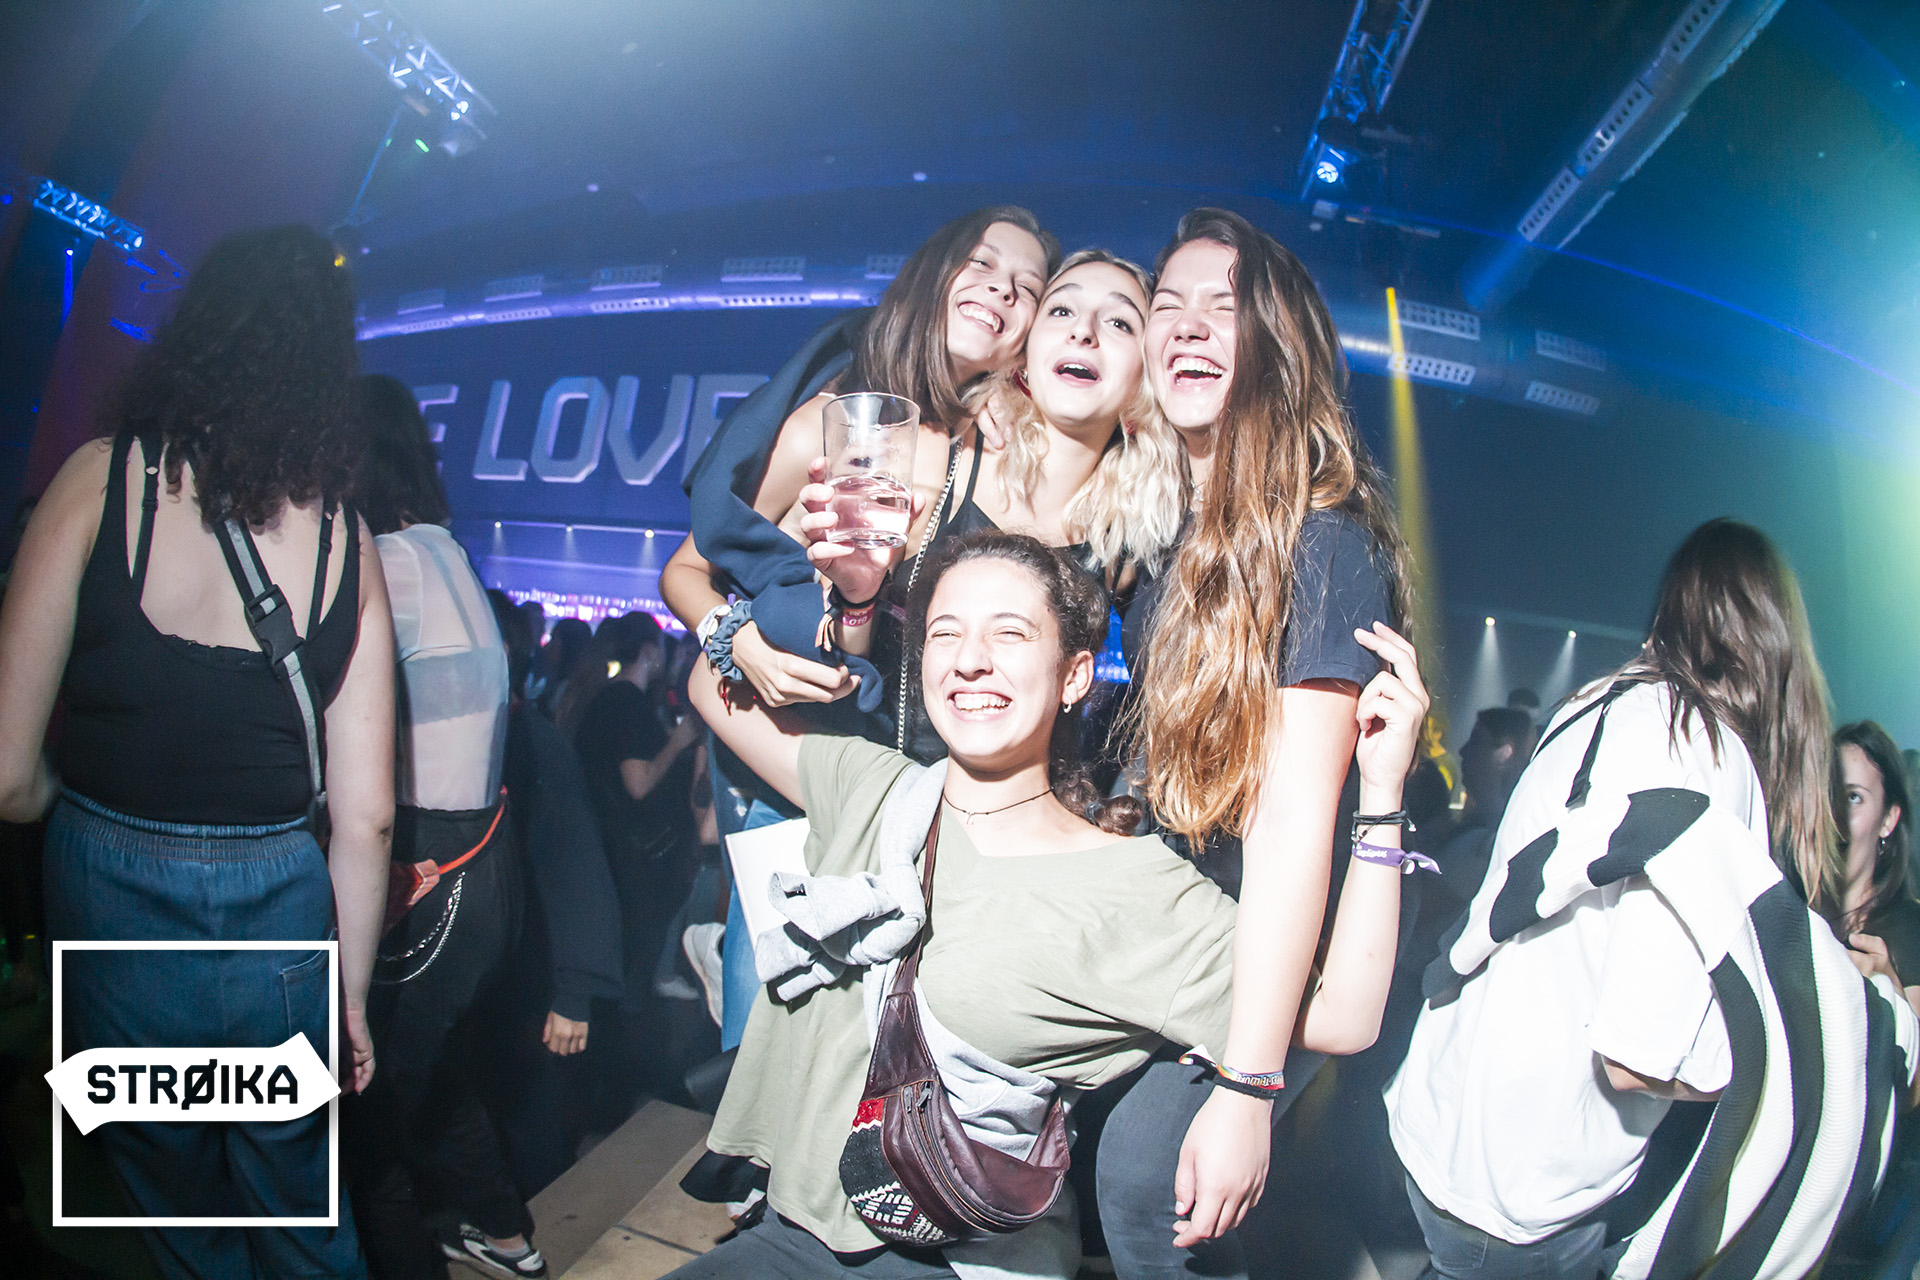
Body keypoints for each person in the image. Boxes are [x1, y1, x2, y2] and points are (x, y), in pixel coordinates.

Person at [668, 530, 1428, 1279]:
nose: (970, 659)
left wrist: (1382, 794)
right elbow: (711, 686)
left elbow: (1344, 1016)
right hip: (785, 1232)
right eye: (945, 633)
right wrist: (826, 589)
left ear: (1074, 676)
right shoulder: (872, 788)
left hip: (949, 1258)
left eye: (1010, 633)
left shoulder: (1129, 891)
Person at [0, 225, 389, 1278]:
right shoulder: (347, 540)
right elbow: (365, 819)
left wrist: (75, 817)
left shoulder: (95, 481)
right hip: (278, 911)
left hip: (108, 902)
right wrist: (349, 997)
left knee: (177, 1214)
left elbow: (8, 772)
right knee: (302, 1213)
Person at [1386, 519, 1920, 1280]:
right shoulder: (1708, 756)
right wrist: (1795, 1051)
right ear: (1779, 649)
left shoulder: (1597, 701)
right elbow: (1635, 1060)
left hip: (1440, 1121)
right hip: (1524, 1191)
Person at [661, 206, 1056, 1052]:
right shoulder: (826, 423)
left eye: (1027, 287)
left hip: (895, 775)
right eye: (983, 264)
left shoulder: (993, 453)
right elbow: (685, 571)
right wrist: (737, 640)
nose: (1002, 291)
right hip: (785, 757)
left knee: (862, 1052)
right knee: (772, 1040)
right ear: (935, 273)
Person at [1103, 207, 1412, 1275]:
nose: (1186, 326)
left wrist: (1246, 1084)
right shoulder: (1168, 544)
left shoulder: (1322, 543)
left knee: (1147, 1176)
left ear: (1276, 345)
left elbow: (1288, 829)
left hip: (1267, 959)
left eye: (1222, 308)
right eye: (1167, 305)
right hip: (1187, 936)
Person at [343, 375, 547, 1280]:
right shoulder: (444, 551)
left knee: (367, 1108)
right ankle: (506, 1235)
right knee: (433, 1072)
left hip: (426, 873)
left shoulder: (385, 563)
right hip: (482, 869)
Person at [1836, 720, 1920, 986]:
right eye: (1828, 795)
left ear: (1888, 820)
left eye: (1853, 797)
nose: (1835, 815)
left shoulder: (1910, 928)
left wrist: (1892, 992)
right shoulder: (1797, 917)